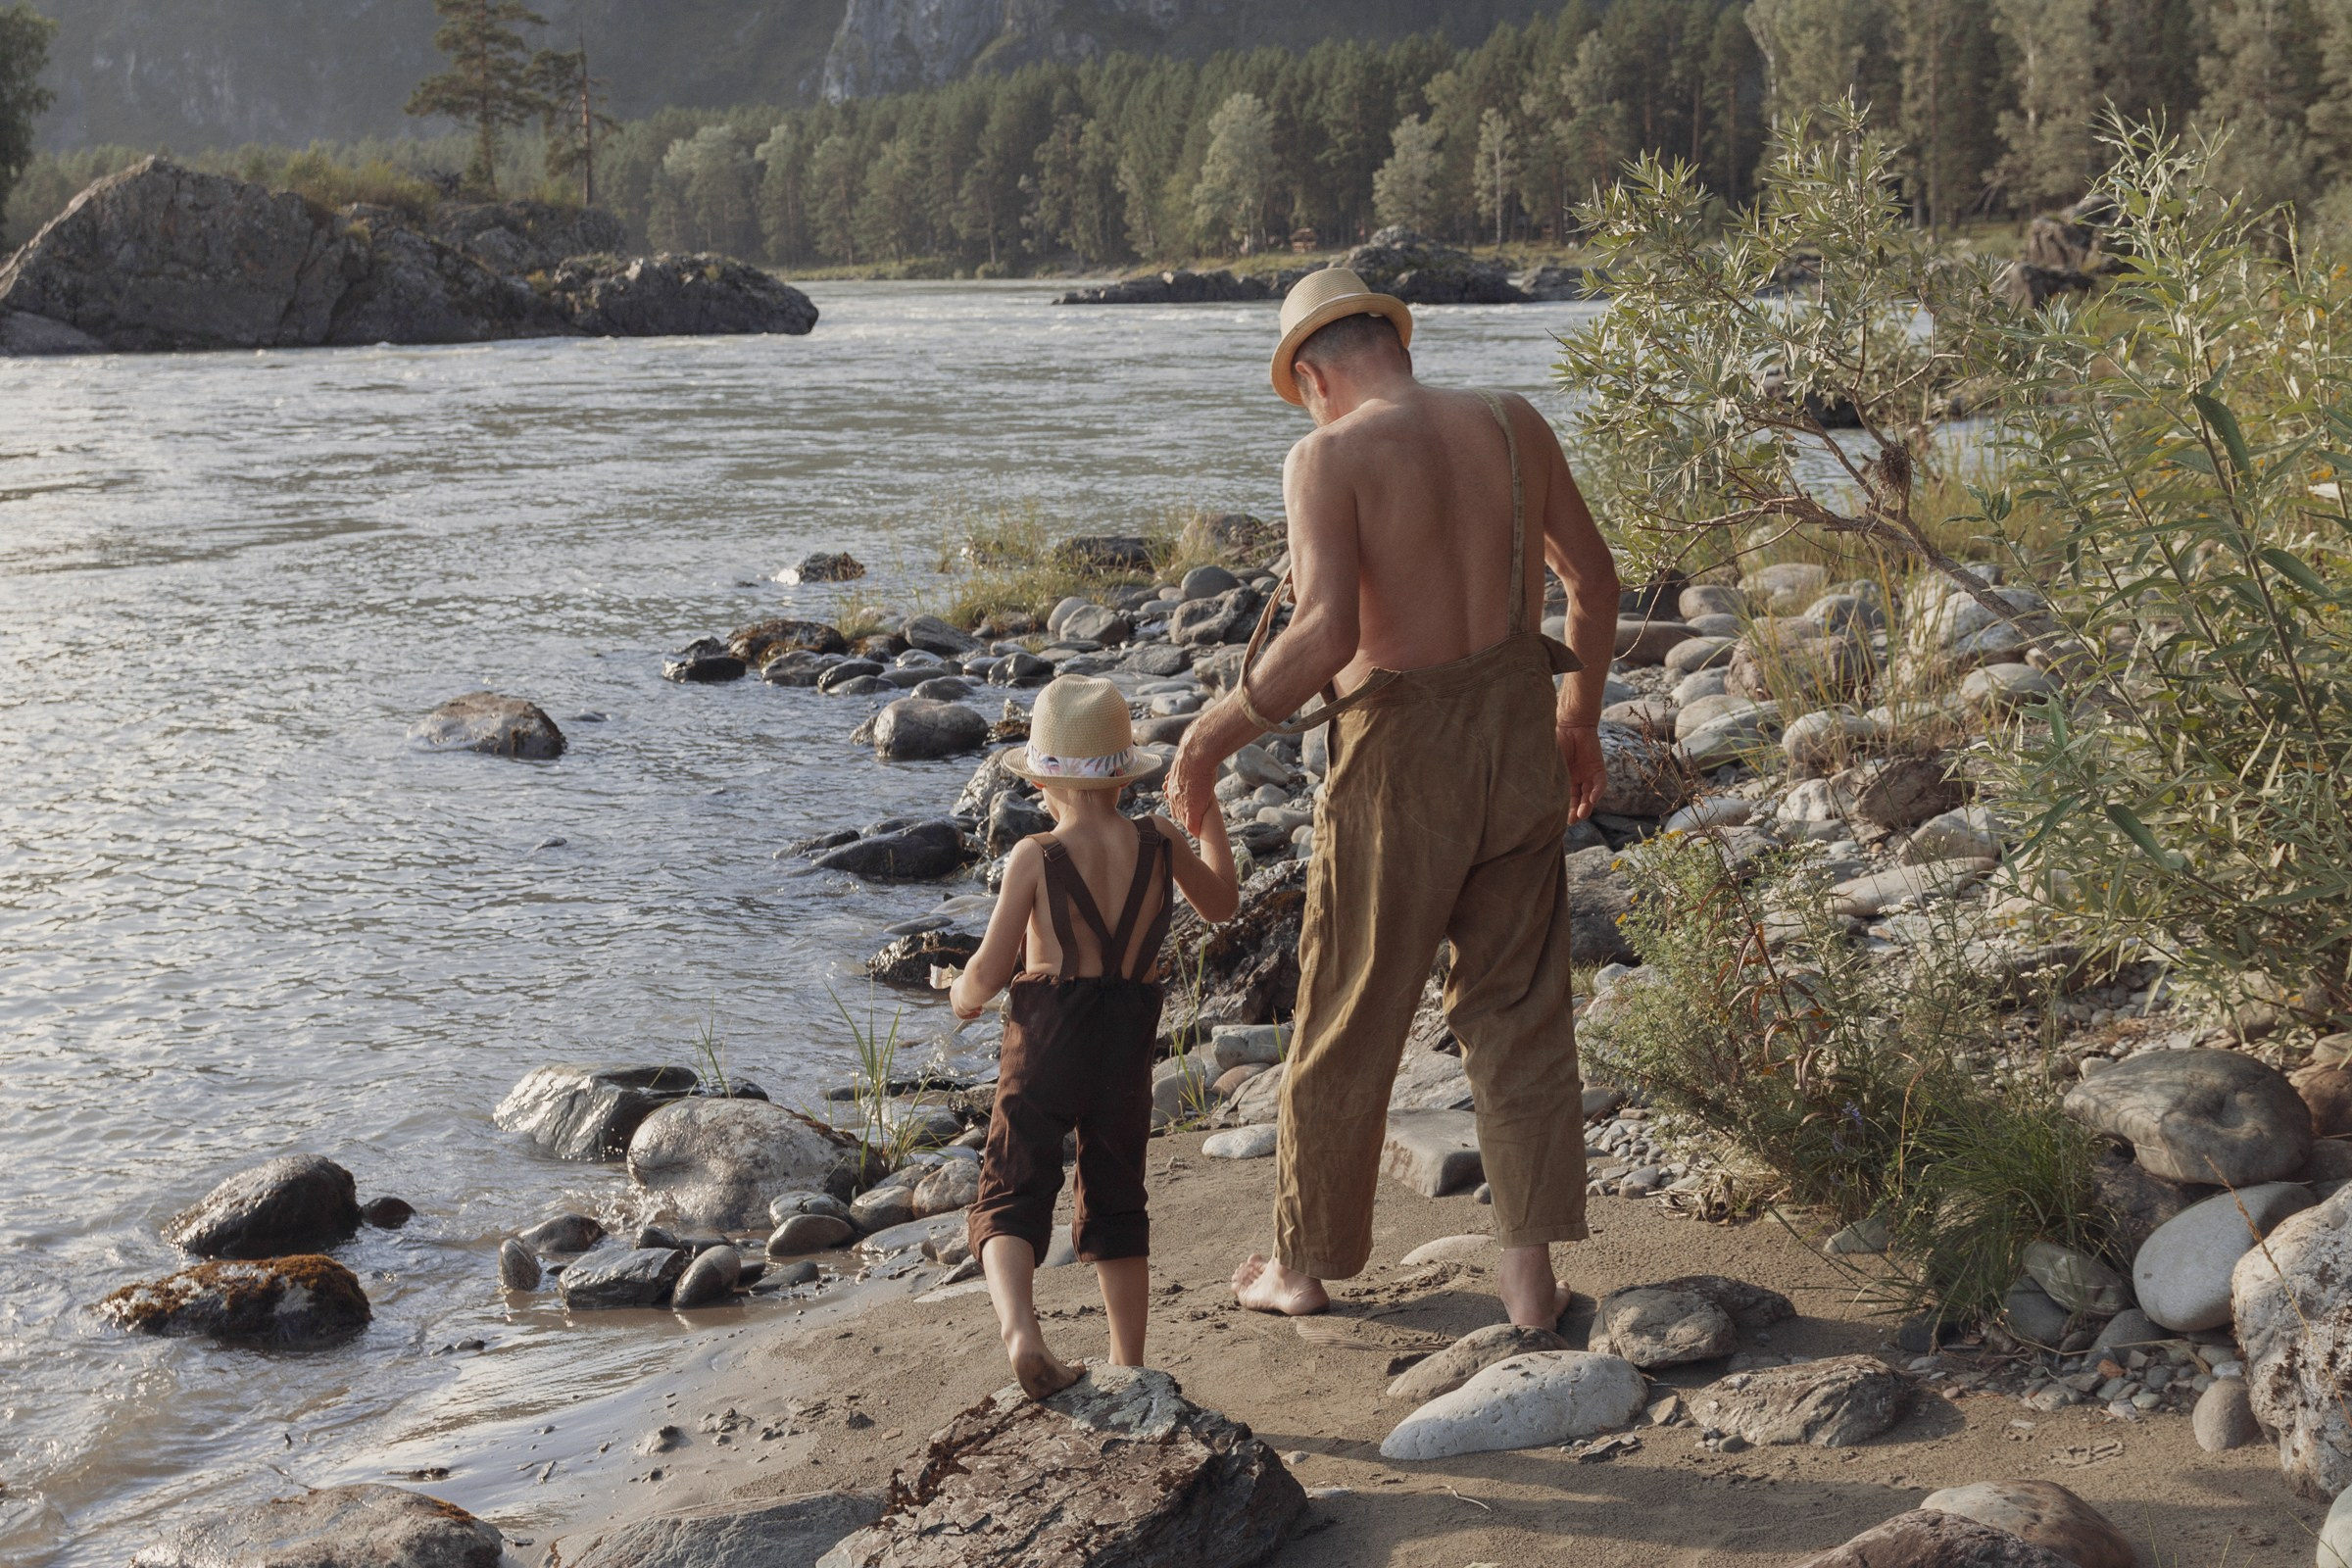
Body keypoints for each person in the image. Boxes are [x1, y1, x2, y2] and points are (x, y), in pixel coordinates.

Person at [1164, 266, 1621, 1330]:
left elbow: (1324, 633)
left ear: (1314, 378)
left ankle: (1302, 1267)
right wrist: (1578, 721)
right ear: (1396, 346)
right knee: (1518, 1012)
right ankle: (1529, 1284)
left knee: (1348, 1010)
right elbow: (1593, 583)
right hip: (1518, 735)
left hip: (1398, 758)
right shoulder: (1513, 422)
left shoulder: (1325, 455)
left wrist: (1205, 741)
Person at [944, 674, 1242, 1398]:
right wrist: (1208, 817)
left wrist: (959, 995)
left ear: (1041, 781)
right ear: (1124, 776)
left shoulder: (1037, 854)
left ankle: (1022, 1334)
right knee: (1117, 1197)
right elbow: (1223, 904)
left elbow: (990, 968)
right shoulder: (1159, 839)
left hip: (1048, 1039)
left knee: (1012, 1186)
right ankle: (1129, 1364)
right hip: (1125, 1042)